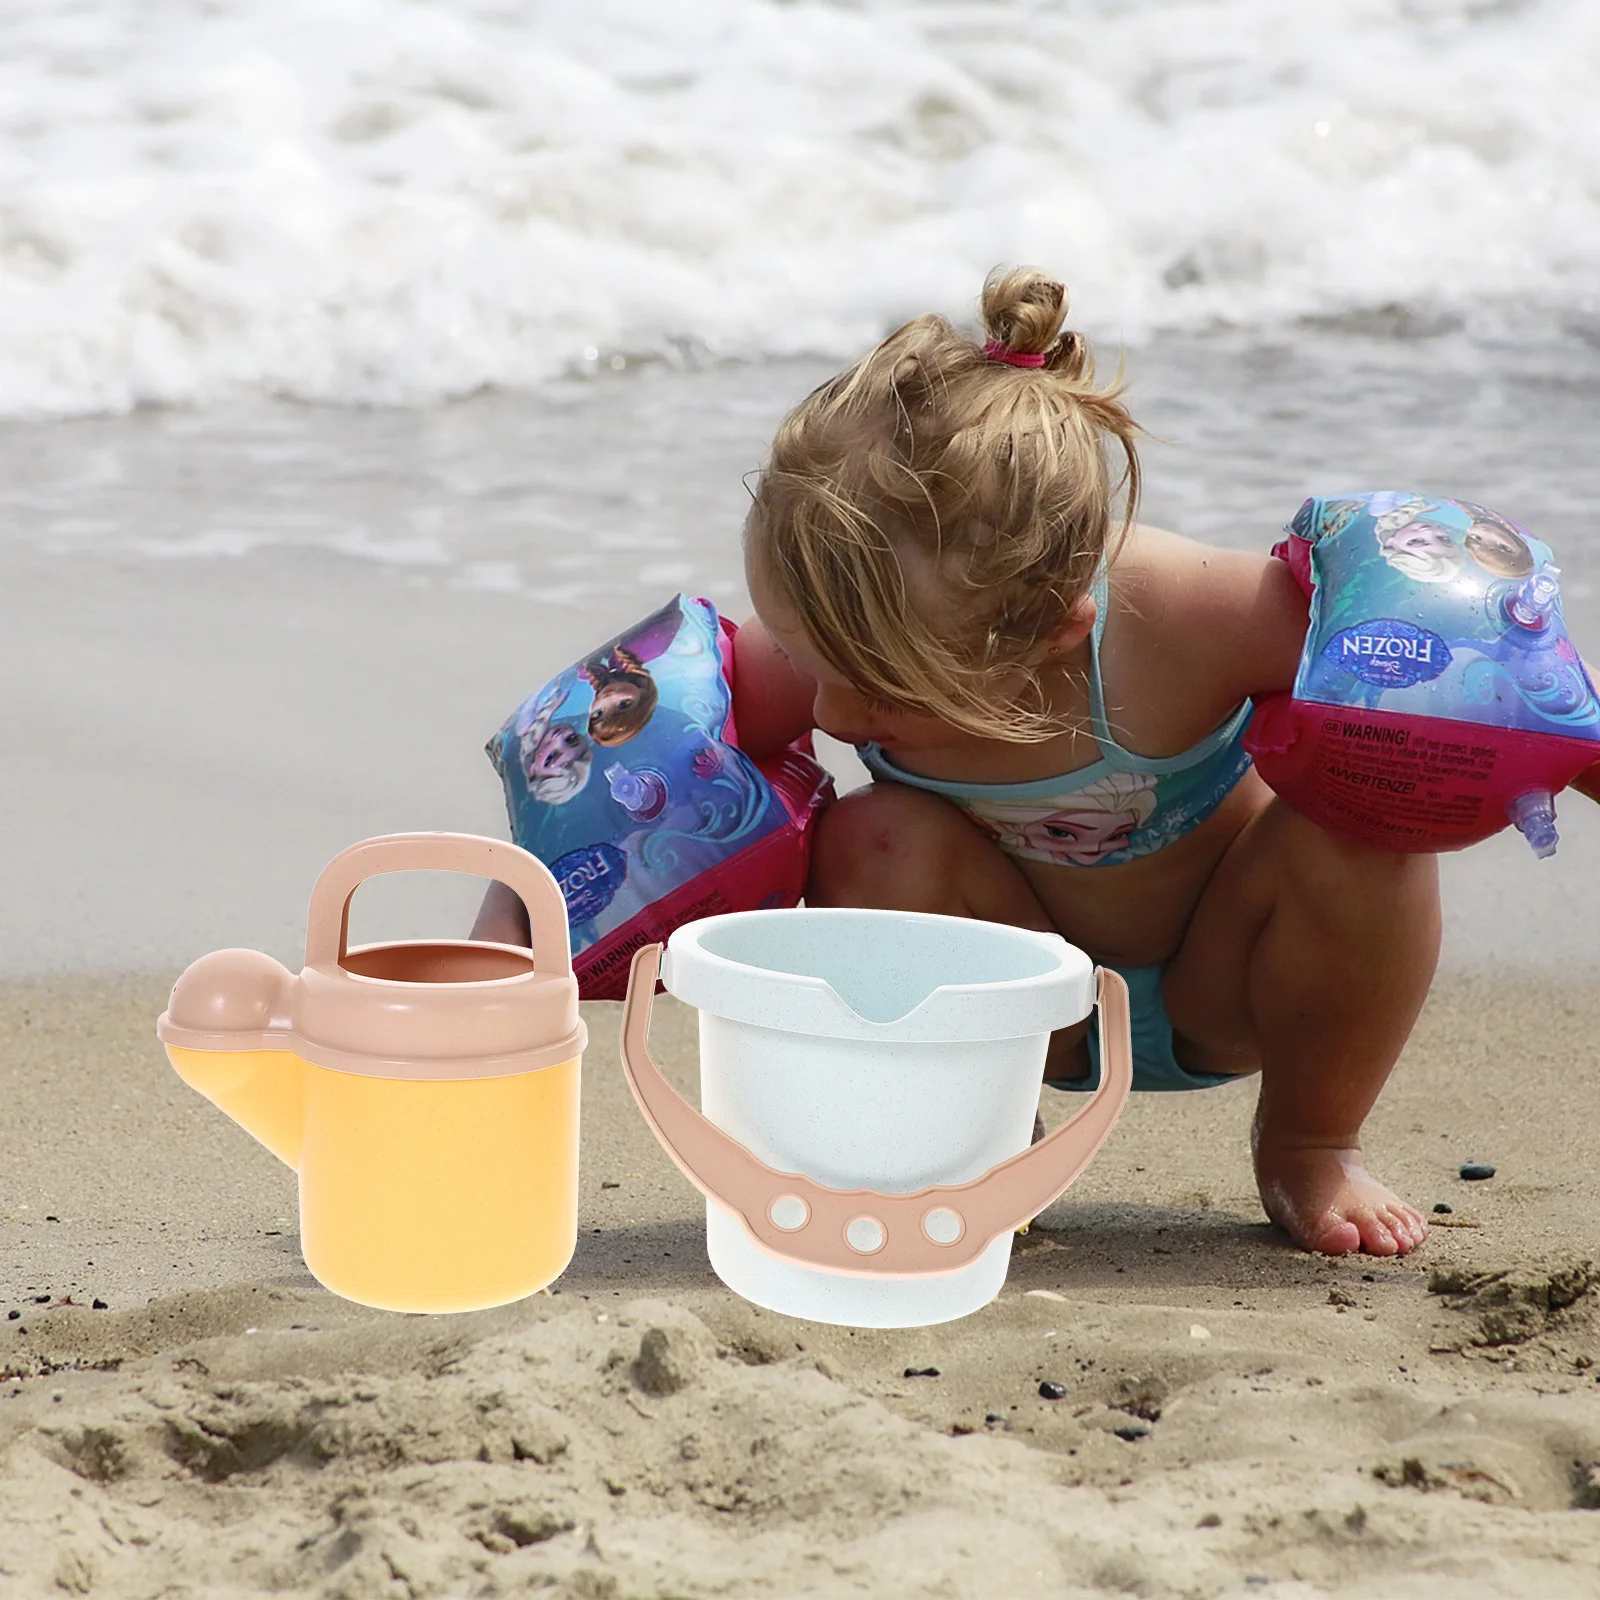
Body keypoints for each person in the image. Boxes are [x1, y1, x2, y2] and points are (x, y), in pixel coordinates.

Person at [726, 265, 1446, 1258]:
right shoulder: (842, 637)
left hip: (1231, 978)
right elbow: (630, 780)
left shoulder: (1185, 617)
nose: (832, 712)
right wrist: (528, 925)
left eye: (885, 688)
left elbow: (1466, 679)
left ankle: (1310, 1142)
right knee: (872, 831)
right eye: (808, 661)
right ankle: (972, 1139)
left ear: (1053, 630)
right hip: (1010, 1000)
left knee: (1367, 822)